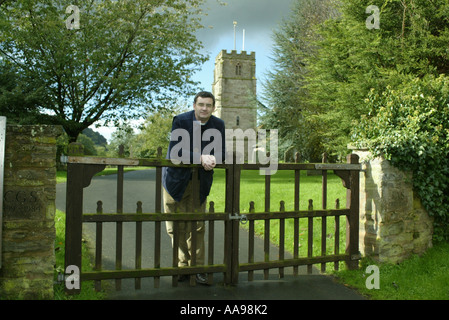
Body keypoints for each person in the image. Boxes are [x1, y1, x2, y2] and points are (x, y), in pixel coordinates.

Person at [162, 91, 225, 285]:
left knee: (197, 226)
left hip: (200, 183)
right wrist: (200, 158)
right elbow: (175, 150)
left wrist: (215, 157)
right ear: (194, 105)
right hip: (175, 181)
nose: (204, 108)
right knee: (176, 227)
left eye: (208, 105)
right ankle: (182, 266)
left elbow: (221, 150)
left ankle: (198, 269)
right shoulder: (181, 121)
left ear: (213, 107)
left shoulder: (218, 124)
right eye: (201, 104)